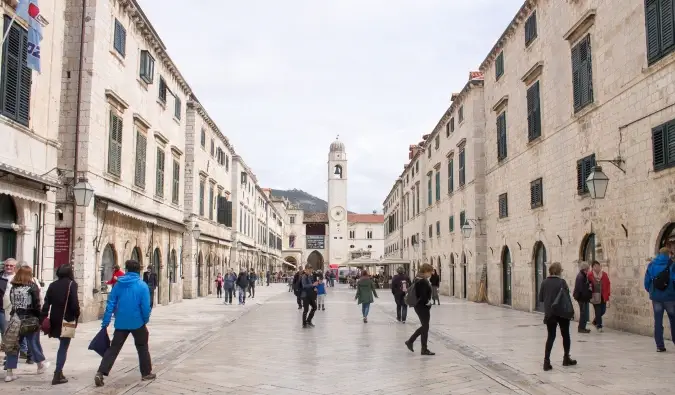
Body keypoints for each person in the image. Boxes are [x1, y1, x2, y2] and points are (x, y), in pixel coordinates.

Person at [94, 260, 155, 387]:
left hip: (121, 321)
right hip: (138, 322)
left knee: (114, 348)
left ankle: (101, 372)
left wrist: (105, 322)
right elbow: (145, 307)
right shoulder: (142, 285)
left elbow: (110, 304)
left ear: (126, 270)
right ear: (138, 270)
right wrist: (145, 319)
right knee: (142, 347)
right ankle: (146, 373)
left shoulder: (118, 285)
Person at [3, 265, 49, 382]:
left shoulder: (13, 287)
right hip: (30, 319)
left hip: (15, 319)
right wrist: (40, 318)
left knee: (13, 345)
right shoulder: (32, 287)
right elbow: (36, 305)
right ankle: (40, 365)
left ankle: (9, 372)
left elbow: (12, 303)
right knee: (33, 343)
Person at [41, 264, 80, 385]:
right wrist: (77, 315)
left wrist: (43, 318)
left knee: (62, 344)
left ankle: (59, 372)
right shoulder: (71, 284)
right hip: (67, 319)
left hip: (55, 319)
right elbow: (74, 304)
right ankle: (57, 373)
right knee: (64, 346)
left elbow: (46, 304)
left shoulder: (53, 285)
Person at [538, 262, 577, 371]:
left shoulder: (544, 282)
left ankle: (546, 362)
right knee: (565, 335)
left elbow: (541, 298)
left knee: (551, 336)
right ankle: (566, 358)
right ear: (559, 271)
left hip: (550, 313)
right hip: (562, 313)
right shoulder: (562, 282)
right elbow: (566, 297)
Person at [644, 247, 675, 352]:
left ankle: (660, 346)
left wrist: (652, 292)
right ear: (668, 254)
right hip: (670, 297)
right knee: (673, 320)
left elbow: (647, 282)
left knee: (658, 321)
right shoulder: (672, 265)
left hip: (656, 298)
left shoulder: (651, 265)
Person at [404, 263, 435, 356]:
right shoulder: (423, 281)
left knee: (425, 327)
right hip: (422, 306)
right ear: (425, 271)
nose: (431, 274)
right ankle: (412, 342)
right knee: (425, 327)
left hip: (418, 306)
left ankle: (422, 348)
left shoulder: (417, 278)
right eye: (430, 272)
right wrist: (428, 303)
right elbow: (423, 295)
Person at [587, 260, 610, 332]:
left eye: (599, 266)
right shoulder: (590, 275)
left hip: (603, 295)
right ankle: (599, 326)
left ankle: (595, 321)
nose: (598, 267)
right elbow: (588, 285)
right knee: (598, 311)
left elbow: (608, 283)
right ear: (593, 267)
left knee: (603, 311)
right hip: (595, 295)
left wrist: (608, 293)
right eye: (596, 266)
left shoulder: (604, 274)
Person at [573, 262, 592, 333]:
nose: (589, 270)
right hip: (582, 298)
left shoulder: (583, 275)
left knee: (584, 313)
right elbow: (581, 289)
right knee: (583, 313)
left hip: (583, 297)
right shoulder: (581, 276)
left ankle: (583, 327)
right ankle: (581, 328)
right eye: (588, 268)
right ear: (585, 269)